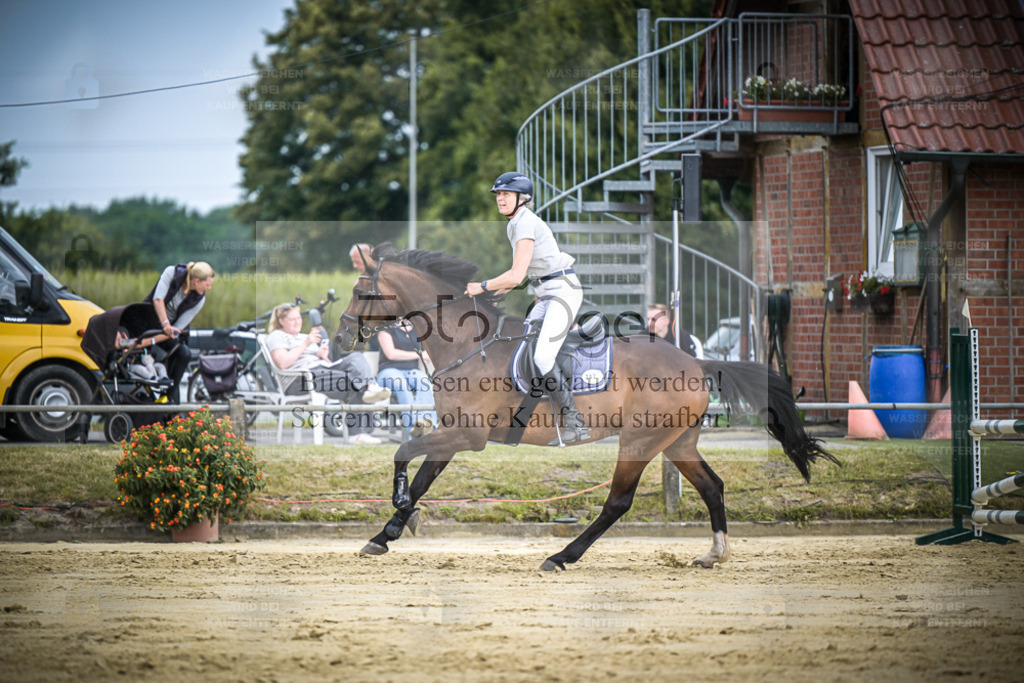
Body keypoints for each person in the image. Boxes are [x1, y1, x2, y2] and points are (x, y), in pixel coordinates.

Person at [465, 171, 589, 445]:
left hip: (562, 292)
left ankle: (575, 423)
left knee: (543, 357)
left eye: (506, 194)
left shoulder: (524, 223)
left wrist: (481, 286)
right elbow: (515, 279)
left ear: (522, 199)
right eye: (498, 194)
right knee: (523, 345)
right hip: (546, 294)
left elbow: (515, 276)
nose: (500, 199)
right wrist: (484, 296)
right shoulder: (515, 224)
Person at [265, 302, 391, 444]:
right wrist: (306, 344)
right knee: (353, 382)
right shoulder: (277, 336)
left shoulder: (302, 336)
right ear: (281, 321)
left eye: (299, 318)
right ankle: (357, 433)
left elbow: (324, 365)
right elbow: (282, 362)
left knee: (356, 358)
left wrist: (322, 355)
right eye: (292, 319)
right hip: (299, 379)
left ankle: (370, 387)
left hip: (320, 371)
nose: (297, 322)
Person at [143, 261, 215, 402]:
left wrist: (151, 340)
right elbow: (158, 299)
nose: (209, 288)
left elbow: (177, 329)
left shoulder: (200, 299)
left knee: (184, 353)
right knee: (141, 356)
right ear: (196, 281)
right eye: (207, 284)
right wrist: (164, 324)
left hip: (169, 332)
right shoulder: (171, 273)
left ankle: (170, 395)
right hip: (148, 320)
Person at [376, 320, 437, 438]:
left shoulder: (417, 330)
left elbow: (430, 348)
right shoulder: (386, 329)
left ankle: (428, 425)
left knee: (424, 381)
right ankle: (413, 427)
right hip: (388, 371)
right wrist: (419, 355)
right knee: (401, 384)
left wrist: (428, 353)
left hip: (411, 371)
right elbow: (391, 354)